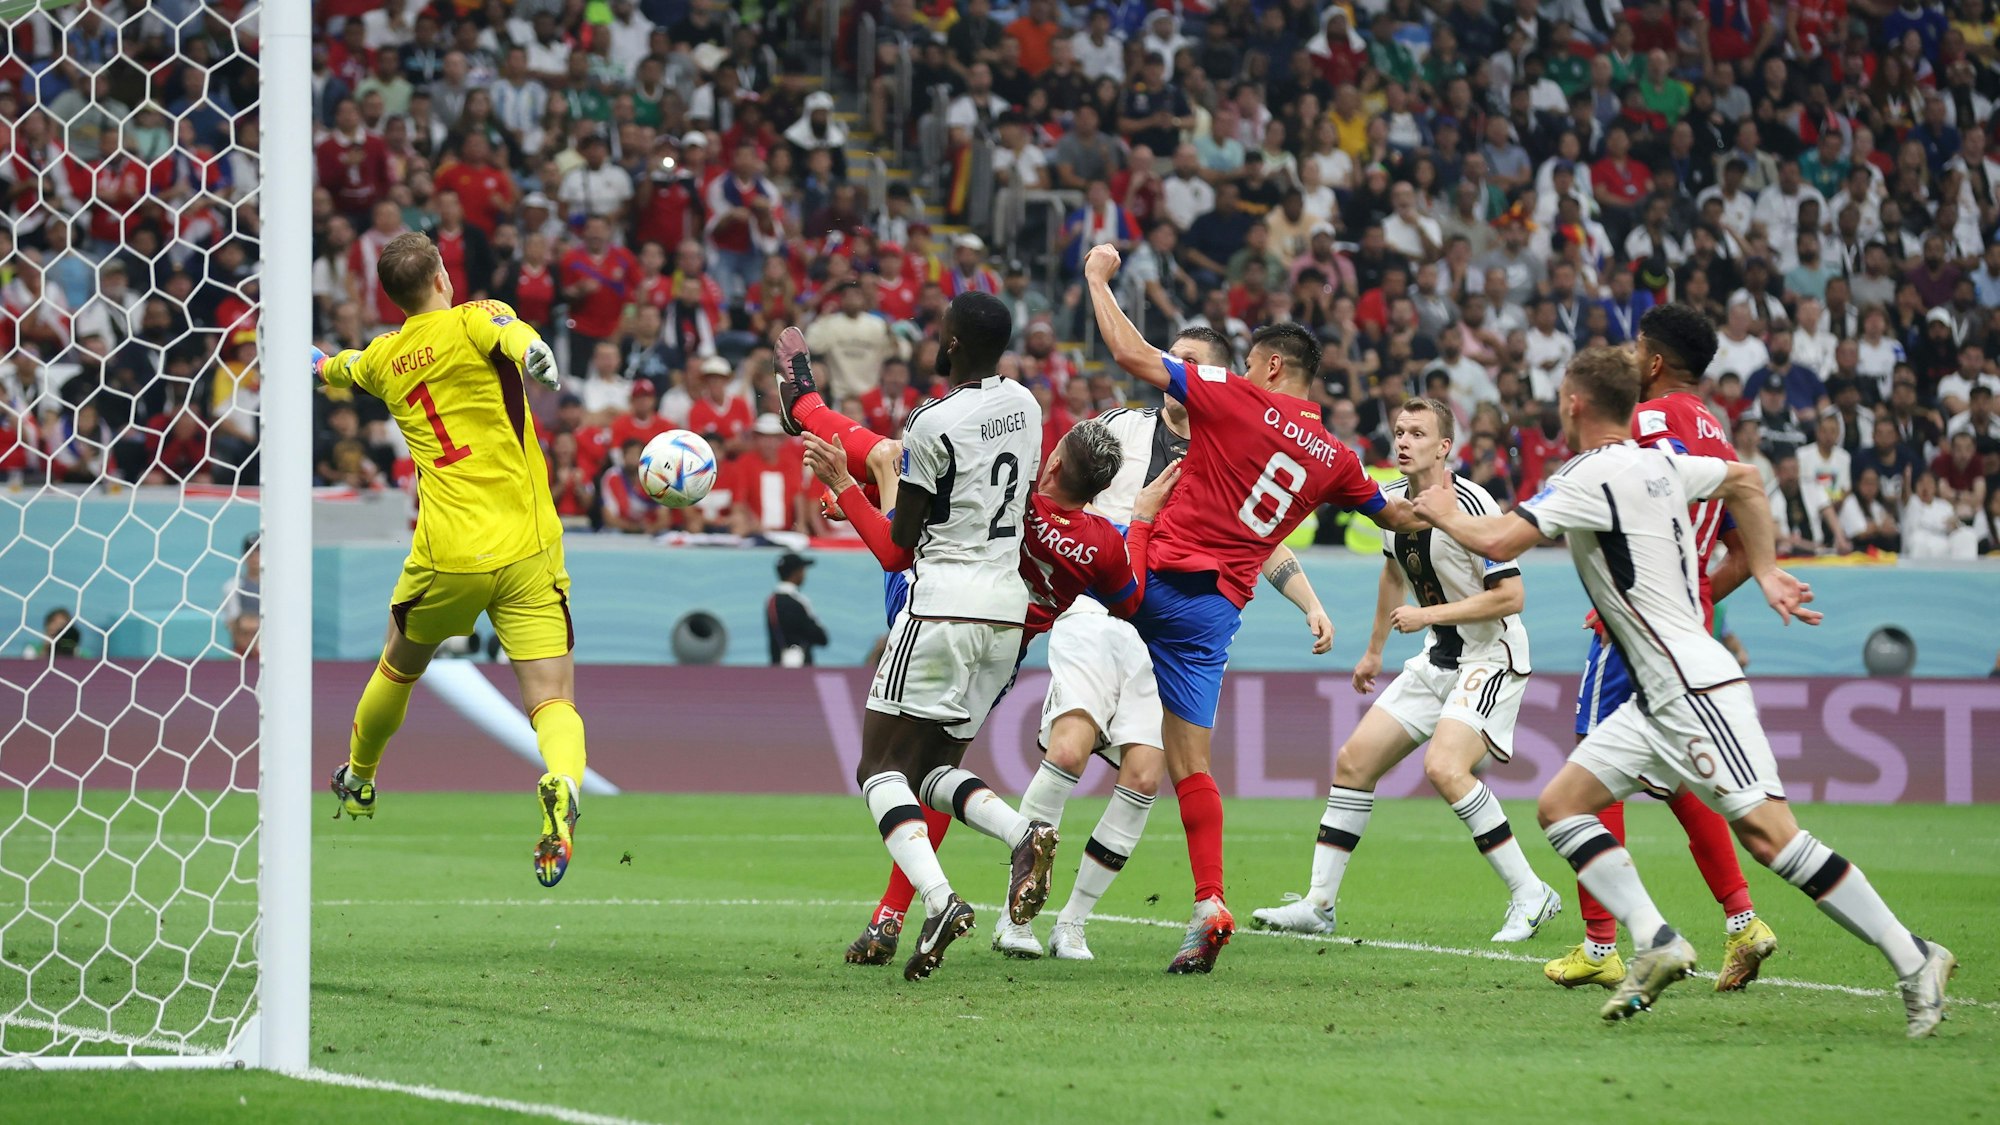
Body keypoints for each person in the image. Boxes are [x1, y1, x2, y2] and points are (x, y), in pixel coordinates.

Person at [1416, 343, 1954, 1037]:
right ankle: (1657, 938)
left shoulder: (1588, 474)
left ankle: (1915, 957)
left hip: (1692, 683)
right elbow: (1748, 479)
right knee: (1562, 805)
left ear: (1574, 404)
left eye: (1560, 393)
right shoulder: (1666, 462)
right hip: (1652, 692)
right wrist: (1763, 568)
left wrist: (1441, 512)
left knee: (1772, 837)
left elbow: (1495, 542)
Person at [1084, 242, 1425, 973]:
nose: (1238, 374)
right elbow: (1393, 518)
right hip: (1215, 610)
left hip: (1152, 574)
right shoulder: (1336, 455)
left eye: (1247, 364)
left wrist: (1096, 279)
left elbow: (1129, 350)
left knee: (1049, 553)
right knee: (1190, 762)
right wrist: (1449, 506)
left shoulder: (1233, 394)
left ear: (1269, 367)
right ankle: (1209, 900)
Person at [990, 325, 1332, 962]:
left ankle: (1072, 921)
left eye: (1191, 362)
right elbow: (1058, 481)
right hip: (1098, 606)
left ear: (1219, 377)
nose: (1176, 368)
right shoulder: (1121, 427)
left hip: (1161, 625)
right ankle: (1017, 915)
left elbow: (1264, 543)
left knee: (1147, 775)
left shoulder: (1232, 442)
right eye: (1173, 356)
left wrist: (1309, 601)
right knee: (1069, 749)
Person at [772, 296, 1056, 982]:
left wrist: (844, 487)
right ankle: (1024, 832)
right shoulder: (1027, 404)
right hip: (1006, 617)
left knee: (877, 770)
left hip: (942, 608)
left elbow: (899, 549)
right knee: (929, 772)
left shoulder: (932, 421)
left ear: (950, 341)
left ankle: (937, 900)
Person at [313, 231, 588, 888]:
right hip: (528, 546)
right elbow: (515, 338)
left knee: (397, 664)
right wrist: (539, 356)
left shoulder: (383, 357)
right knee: (551, 698)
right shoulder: (475, 318)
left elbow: (339, 367)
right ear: (441, 275)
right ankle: (560, 783)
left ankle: (360, 774)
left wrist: (315, 364)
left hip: (449, 552)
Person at [1252, 397, 1560, 943]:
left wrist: (1428, 614)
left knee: (1446, 768)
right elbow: (1392, 574)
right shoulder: (1389, 502)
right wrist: (1374, 651)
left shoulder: (1474, 504)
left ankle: (1531, 894)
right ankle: (1319, 905)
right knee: (1354, 762)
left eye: (1418, 433)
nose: (1403, 441)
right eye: (1399, 431)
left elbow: (1511, 597)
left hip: (1490, 656)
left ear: (1444, 447)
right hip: (1437, 658)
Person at [1544, 304, 1776, 992]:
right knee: (1676, 772)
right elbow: (1739, 543)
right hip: (1686, 626)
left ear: (1651, 363)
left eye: (1634, 347)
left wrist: (1650, 590)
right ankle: (1743, 921)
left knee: (1589, 764)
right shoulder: (1717, 432)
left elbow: (1622, 497)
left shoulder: (1643, 422)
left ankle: (1601, 941)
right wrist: (1690, 592)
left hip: (1634, 625)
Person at [766, 552, 829, 667]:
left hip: (777, 666)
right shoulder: (798, 601)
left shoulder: (771, 601)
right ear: (796, 572)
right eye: (803, 570)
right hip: (800, 665)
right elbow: (820, 636)